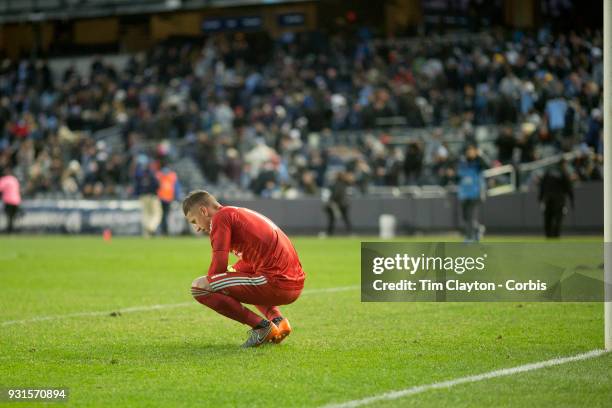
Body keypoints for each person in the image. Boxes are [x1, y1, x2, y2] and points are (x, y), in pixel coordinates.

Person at [184, 190, 306, 348]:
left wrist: (216, 283)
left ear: (203, 210)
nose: (197, 228)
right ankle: (278, 321)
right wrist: (230, 275)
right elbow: (252, 261)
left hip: (276, 282)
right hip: (293, 283)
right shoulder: (237, 213)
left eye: (194, 221)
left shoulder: (220, 217)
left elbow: (218, 266)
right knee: (241, 276)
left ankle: (262, 328)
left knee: (199, 287)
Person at [457, 144, 488, 242]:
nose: (469, 153)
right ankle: (478, 229)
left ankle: (470, 237)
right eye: (468, 151)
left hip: (475, 192)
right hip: (464, 193)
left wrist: (479, 156)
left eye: (472, 150)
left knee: (470, 216)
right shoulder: (463, 162)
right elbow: (458, 176)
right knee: (465, 217)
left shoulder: (478, 162)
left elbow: (486, 166)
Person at [539, 160, 574, 238]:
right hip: (559, 200)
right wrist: (572, 200)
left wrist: (540, 198)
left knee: (548, 218)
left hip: (548, 199)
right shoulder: (563, 173)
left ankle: (548, 235)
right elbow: (569, 187)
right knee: (558, 218)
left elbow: (542, 186)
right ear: (563, 164)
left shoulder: (548, 172)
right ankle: (555, 235)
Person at [134, 155, 161, 237]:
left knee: (145, 214)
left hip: (143, 196)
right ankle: (151, 227)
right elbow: (157, 184)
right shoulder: (151, 174)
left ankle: (146, 233)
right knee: (157, 213)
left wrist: (138, 194)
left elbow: (136, 186)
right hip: (152, 196)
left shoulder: (138, 174)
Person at [324, 171, 353, 236]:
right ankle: (350, 232)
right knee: (345, 219)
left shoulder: (337, 184)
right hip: (344, 204)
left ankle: (329, 232)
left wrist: (330, 201)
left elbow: (335, 195)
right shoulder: (344, 184)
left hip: (340, 204)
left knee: (333, 219)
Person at [156, 163, 181, 236]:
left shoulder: (159, 175)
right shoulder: (172, 176)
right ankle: (164, 230)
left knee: (164, 215)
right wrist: (177, 196)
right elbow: (176, 187)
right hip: (165, 198)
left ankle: (164, 230)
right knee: (165, 215)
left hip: (163, 198)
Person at [0, 167, 22, 233]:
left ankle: (9, 230)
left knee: (9, 217)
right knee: (13, 216)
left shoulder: (4, 179)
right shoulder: (15, 179)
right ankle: (13, 230)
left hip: (8, 200)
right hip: (16, 200)